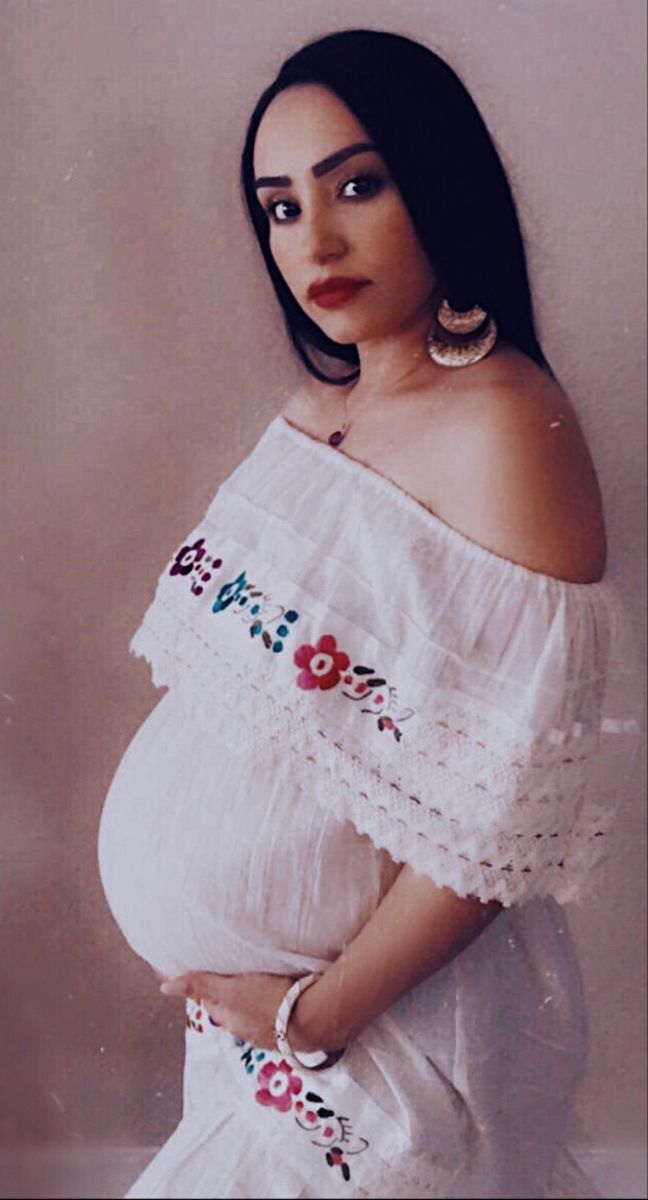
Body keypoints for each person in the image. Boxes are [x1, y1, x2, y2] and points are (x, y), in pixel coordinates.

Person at [97, 28, 643, 1200]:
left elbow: (495, 817)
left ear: (438, 182)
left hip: (372, 1041)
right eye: (281, 206)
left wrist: (310, 1015)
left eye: (357, 185)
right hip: (265, 1042)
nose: (316, 240)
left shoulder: (510, 427)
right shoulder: (319, 409)